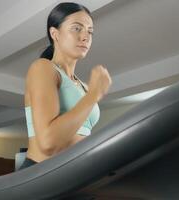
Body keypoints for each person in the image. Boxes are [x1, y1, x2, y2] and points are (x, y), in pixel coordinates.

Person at [19, 2, 112, 170]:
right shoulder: (43, 67)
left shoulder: (83, 86)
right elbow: (48, 143)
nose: (85, 36)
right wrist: (94, 95)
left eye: (90, 31)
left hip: (74, 177)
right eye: (77, 28)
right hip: (42, 175)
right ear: (54, 33)